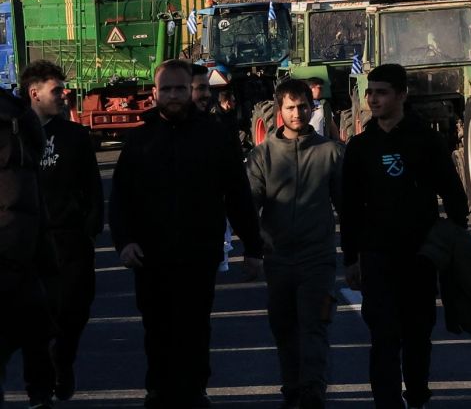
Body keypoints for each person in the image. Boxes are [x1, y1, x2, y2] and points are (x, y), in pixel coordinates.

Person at [110, 59, 264, 408]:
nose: (174, 95)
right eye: (166, 89)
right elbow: (121, 199)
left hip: (198, 253)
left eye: (180, 88)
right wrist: (125, 241)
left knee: (195, 328)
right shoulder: (139, 139)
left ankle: (195, 390)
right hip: (150, 256)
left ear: (191, 91)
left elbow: (237, 194)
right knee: (157, 328)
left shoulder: (214, 136)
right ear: (154, 93)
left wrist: (252, 247)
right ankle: (158, 390)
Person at [340, 64, 468, 408]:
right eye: (370, 92)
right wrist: (350, 257)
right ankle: (386, 400)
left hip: (420, 254)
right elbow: (349, 207)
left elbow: (453, 193)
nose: (373, 99)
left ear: (402, 95)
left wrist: (457, 242)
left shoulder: (425, 140)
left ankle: (416, 392)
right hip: (377, 255)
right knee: (383, 333)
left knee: (417, 332)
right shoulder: (360, 146)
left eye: (381, 92)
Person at [247, 80, 345, 409]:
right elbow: (250, 203)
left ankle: (313, 390)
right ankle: (291, 387)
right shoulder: (263, 155)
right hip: (278, 259)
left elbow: (347, 205)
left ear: (311, 108)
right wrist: (252, 247)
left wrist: (358, 253)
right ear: (279, 111)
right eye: (290, 107)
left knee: (314, 326)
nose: (297, 113)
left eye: (303, 106)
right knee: (284, 328)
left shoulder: (330, 152)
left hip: (317, 258)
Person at [20, 62, 103, 401]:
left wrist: (91, 226)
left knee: (76, 309)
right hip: (30, 242)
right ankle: (40, 387)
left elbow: (93, 187)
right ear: (34, 93)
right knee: (35, 318)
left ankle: (63, 359)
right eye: (57, 90)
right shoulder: (15, 133)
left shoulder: (75, 136)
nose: (63, 95)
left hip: (71, 240)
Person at [0, 91, 57, 409]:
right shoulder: (21, 116)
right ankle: (40, 394)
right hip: (27, 248)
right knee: (35, 336)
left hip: (13, 248)